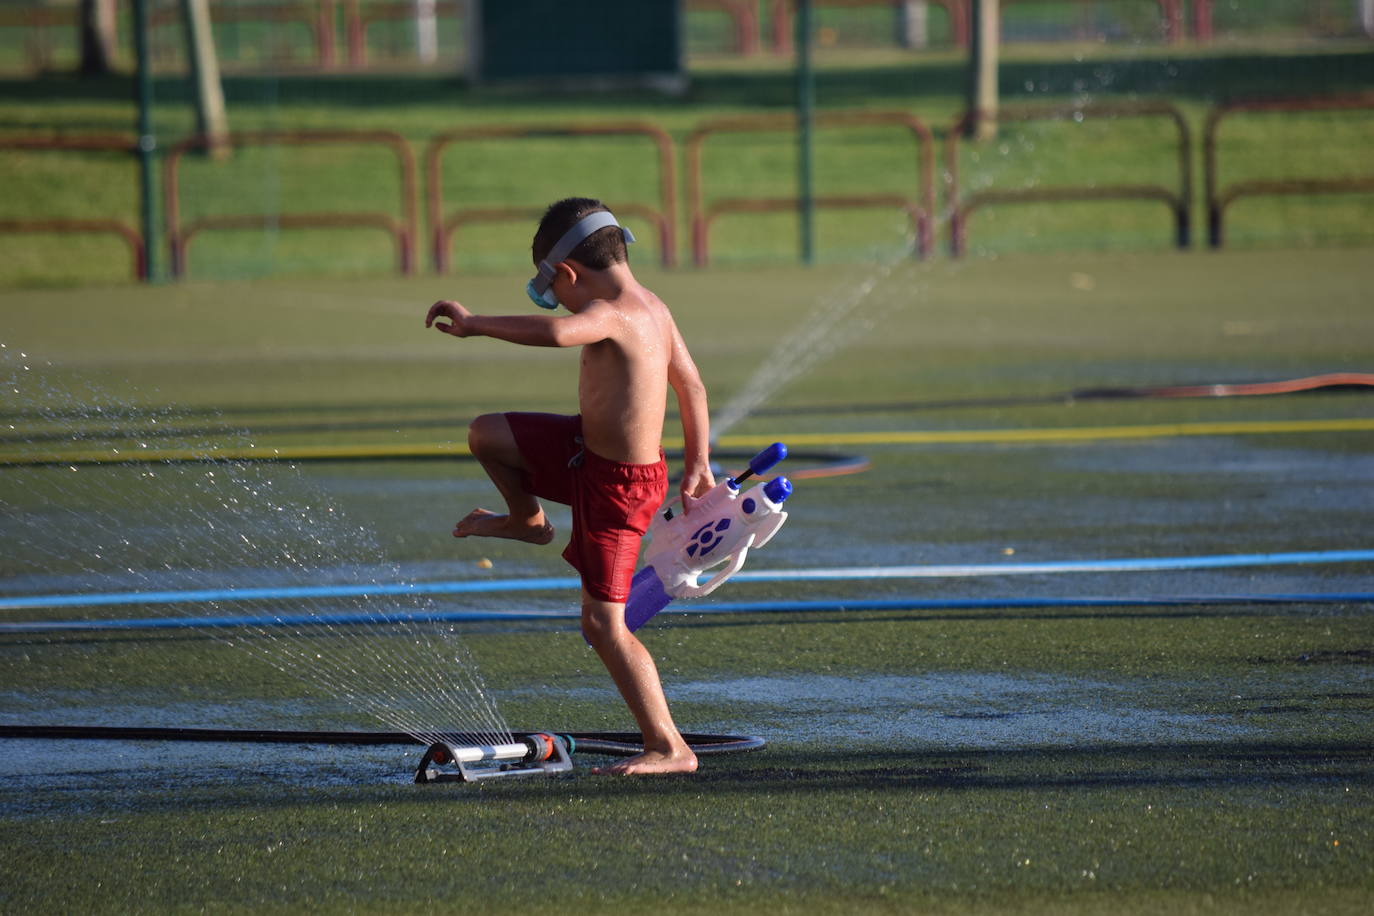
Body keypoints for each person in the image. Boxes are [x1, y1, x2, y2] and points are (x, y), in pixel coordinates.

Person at [424, 197, 715, 776]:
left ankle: (670, 747)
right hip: (584, 452)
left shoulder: (614, 312)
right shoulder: (655, 307)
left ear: (568, 274)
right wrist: (698, 461)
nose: (562, 301)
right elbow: (694, 388)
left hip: (620, 489)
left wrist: (477, 324)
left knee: (603, 623)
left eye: (555, 289)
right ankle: (527, 520)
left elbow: (562, 334)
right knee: (488, 435)